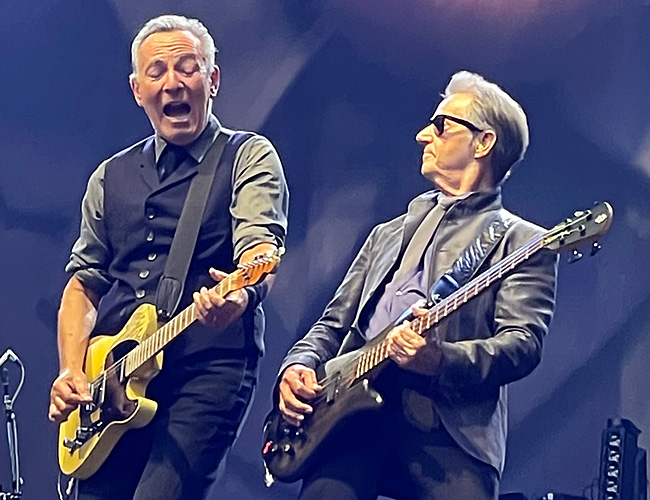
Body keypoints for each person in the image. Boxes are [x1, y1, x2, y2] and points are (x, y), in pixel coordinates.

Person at [276, 71, 557, 500]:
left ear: (483, 143)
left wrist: (439, 360)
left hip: (448, 434)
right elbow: (332, 324)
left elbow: (522, 345)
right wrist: (297, 365)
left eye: (441, 125)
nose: (423, 135)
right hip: (351, 415)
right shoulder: (386, 235)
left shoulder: (522, 242)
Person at [48, 14, 288, 500]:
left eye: (188, 68)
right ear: (137, 90)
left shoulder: (247, 155)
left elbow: (260, 248)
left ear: (213, 80)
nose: (173, 83)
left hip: (205, 369)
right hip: (112, 381)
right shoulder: (109, 176)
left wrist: (240, 298)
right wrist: (72, 369)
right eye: (156, 72)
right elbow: (83, 283)